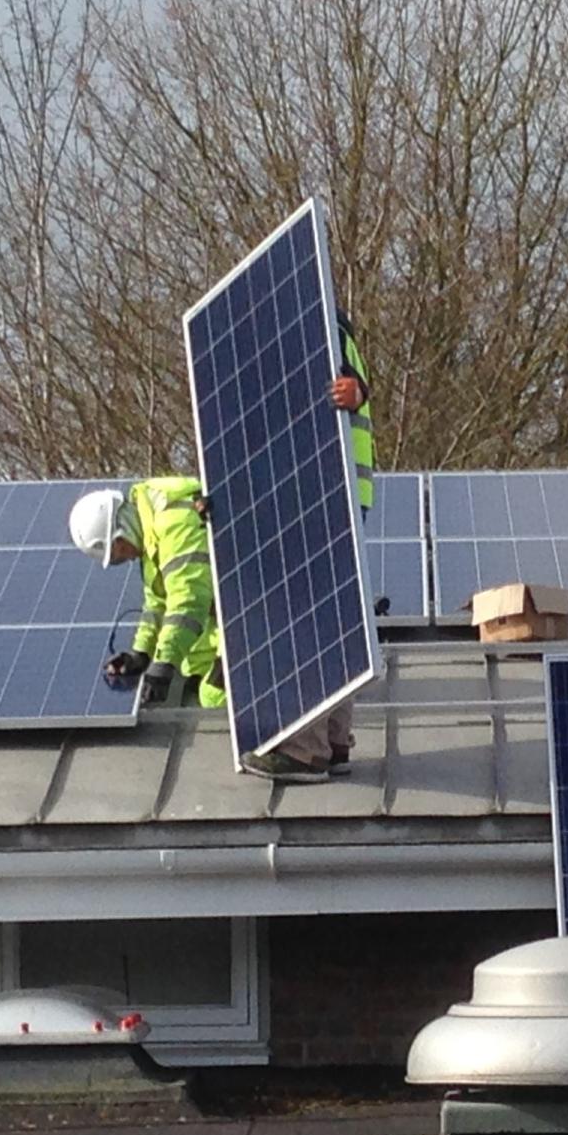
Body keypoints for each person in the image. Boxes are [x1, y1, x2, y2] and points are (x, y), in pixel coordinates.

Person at [235, 308, 373, 783]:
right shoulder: (329, 326)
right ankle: (334, 741)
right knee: (333, 616)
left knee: (302, 619)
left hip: (321, 494)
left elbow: (344, 393)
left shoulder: (307, 327)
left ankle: (302, 747)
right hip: (339, 492)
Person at [69, 478, 223, 710]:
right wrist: (140, 653)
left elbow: (189, 600)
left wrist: (164, 662)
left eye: (120, 549)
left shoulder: (174, 522)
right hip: (225, 619)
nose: (129, 557)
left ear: (123, 527)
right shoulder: (149, 533)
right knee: (194, 667)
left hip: (256, 609)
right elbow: (157, 602)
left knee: (214, 697)